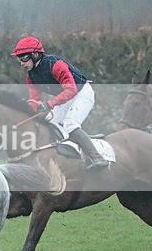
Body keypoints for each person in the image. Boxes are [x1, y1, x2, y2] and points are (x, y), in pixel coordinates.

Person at [10, 36, 109, 169]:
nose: (21, 63)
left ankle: (98, 158)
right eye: (19, 59)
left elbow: (72, 90)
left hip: (81, 93)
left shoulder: (55, 64)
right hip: (66, 97)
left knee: (70, 124)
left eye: (23, 57)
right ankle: (80, 141)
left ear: (35, 54)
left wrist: (50, 104)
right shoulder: (31, 76)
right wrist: (24, 114)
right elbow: (35, 101)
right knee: (50, 122)